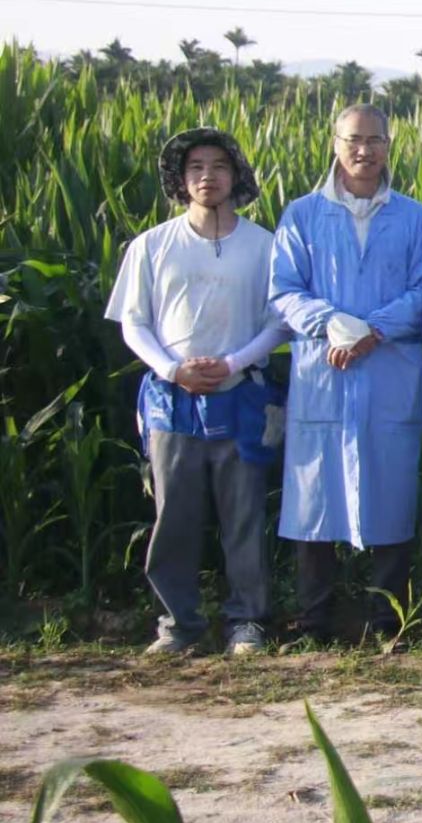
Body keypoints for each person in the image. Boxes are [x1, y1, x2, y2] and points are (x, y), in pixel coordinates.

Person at [106, 128, 289, 655]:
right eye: (196, 168)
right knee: (174, 517)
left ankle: (247, 622)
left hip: (243, 396)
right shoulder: (152, 245)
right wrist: (172, 369)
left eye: (219, 166)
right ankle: (178, 624)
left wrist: (232, 362)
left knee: (244, 515)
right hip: (172, 400)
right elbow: (134, 322)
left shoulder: (264, 246)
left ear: (237, 176)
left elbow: (279, 323)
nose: (208, 176)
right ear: (180, 180)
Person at [269, 104, 422, 647]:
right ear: (335, 143)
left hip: (389, 371)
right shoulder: (302, 215)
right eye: (353, 139)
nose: (364, 150)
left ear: (390, 144)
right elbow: (283, 291)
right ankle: (314, 620)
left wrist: (373, 329)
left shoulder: (415, 217)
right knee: (314, 496)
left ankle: (388, 620)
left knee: (391, 492)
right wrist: (332, 323)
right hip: (324, 373)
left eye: (374, 139)